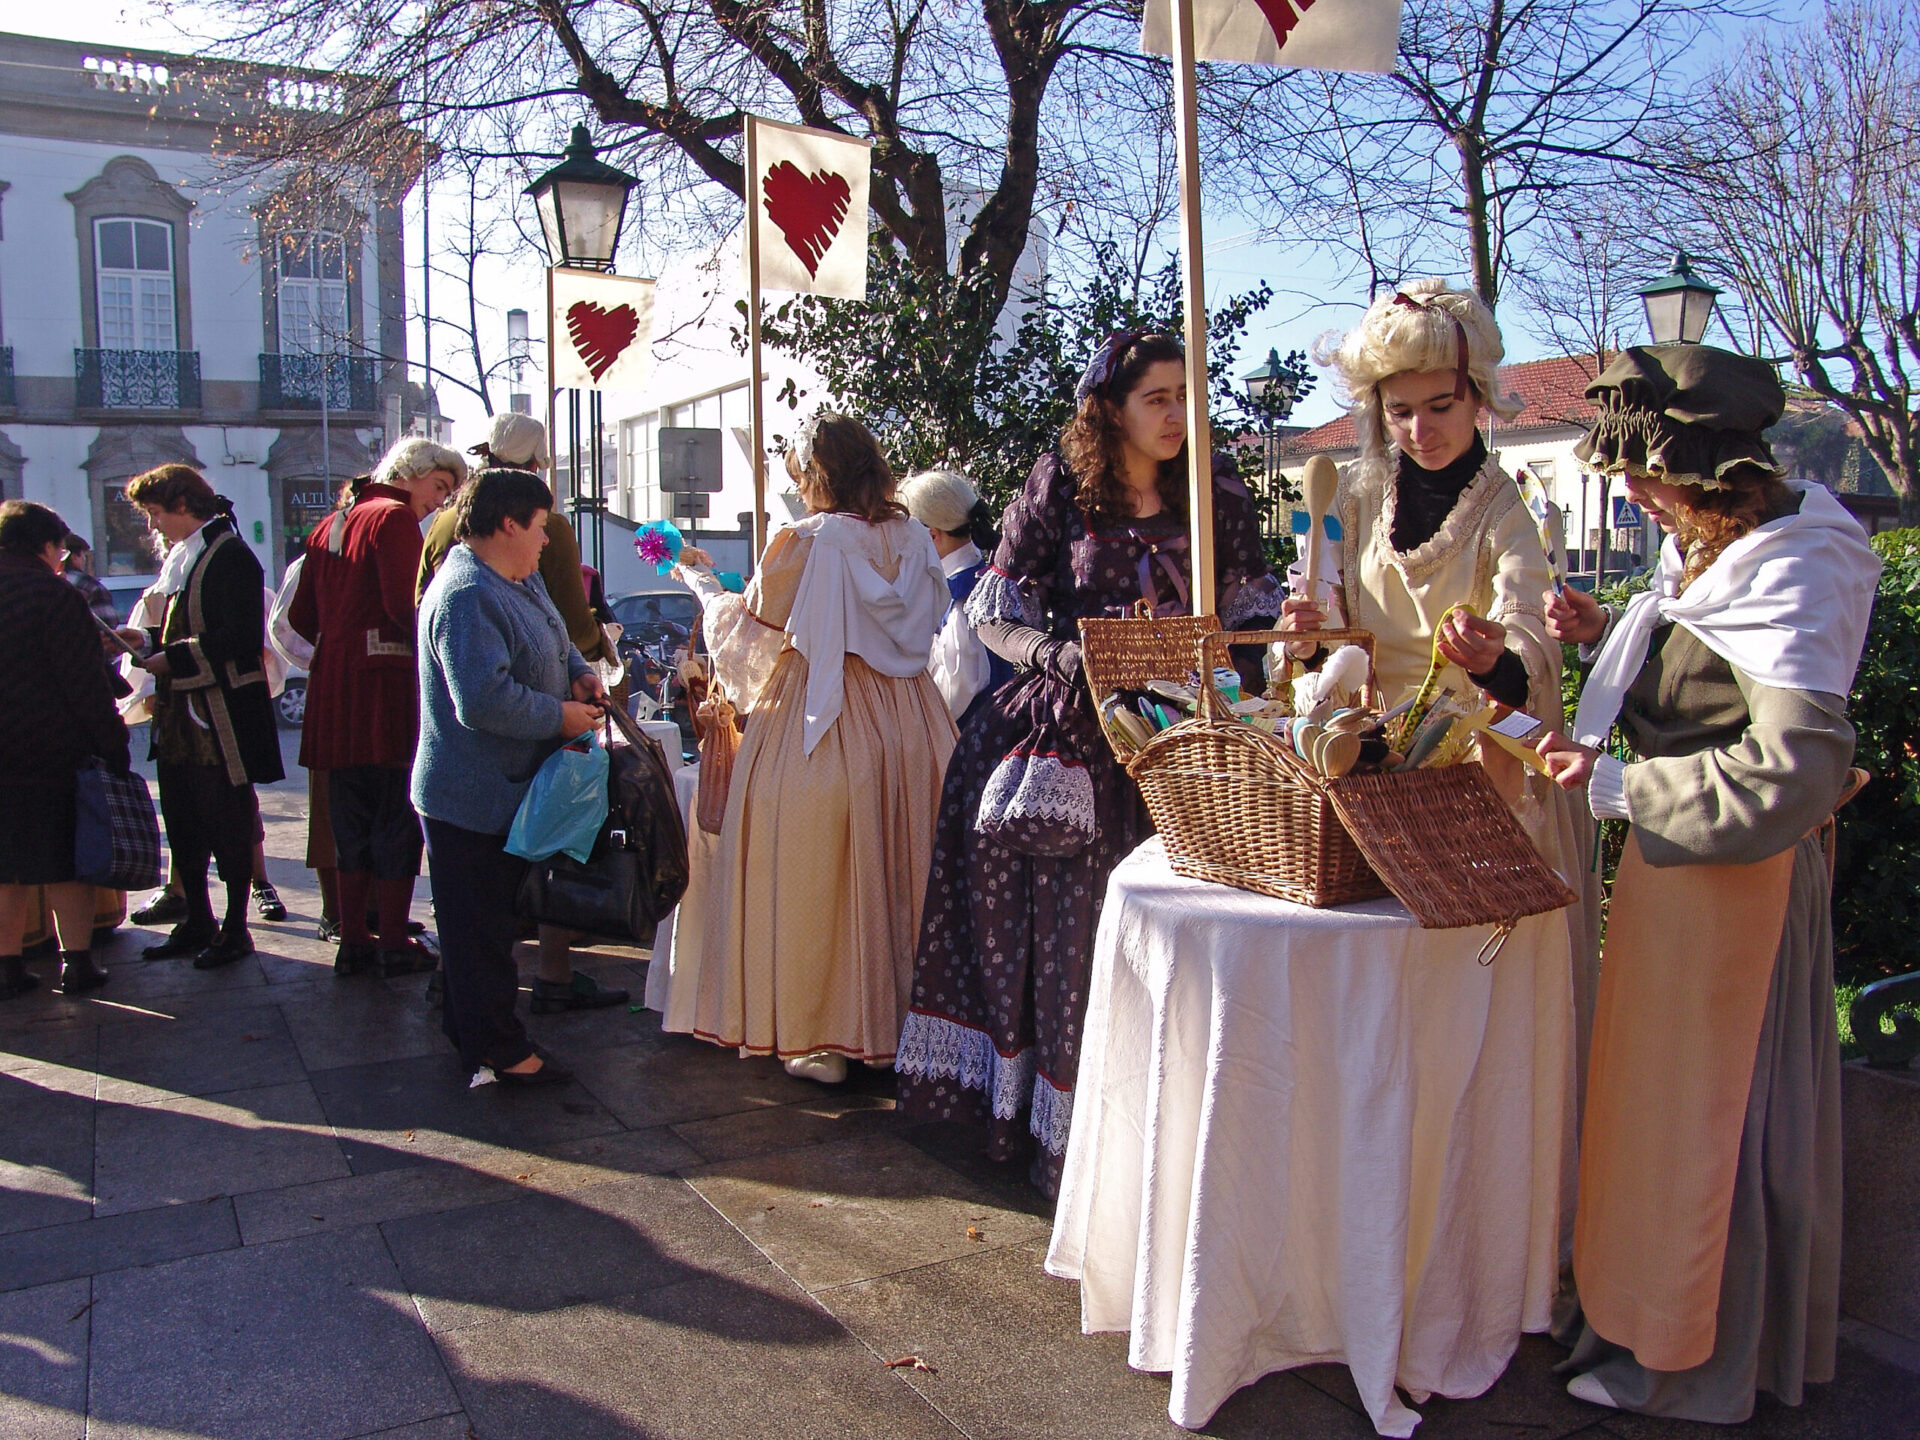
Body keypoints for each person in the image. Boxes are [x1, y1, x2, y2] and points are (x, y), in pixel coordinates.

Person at [1535, 344, 1878, 1424]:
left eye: (1648, 475)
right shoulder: (1719, 557)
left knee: (1708, 1138)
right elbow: (1703, 682)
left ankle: (1691, 1359)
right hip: (1679, 888)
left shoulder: (1797, 565)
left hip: (1743, 898)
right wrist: (1608, 639)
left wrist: (1623, 789)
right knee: (1653, 1124)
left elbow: (1789, 773)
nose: (1633, 492)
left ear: (1714, 474)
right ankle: (1637, 1324)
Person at [895, 332, 1281, 1190]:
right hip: (1072, 739)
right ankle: (1067, 1138)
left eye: (1186, 395)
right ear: (1109, 409)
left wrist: (1233, 667)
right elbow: (993, 614)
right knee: (1074, 943)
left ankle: (1169, 1137)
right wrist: (1061, 658)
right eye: (1158, 398)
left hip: (1185, 738)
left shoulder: (1215, 489)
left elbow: (1255, 606)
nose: (1178, 414)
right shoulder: (1060, 487)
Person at [1281, 279, 1598, 1097]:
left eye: (1441, 407)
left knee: (1468, 1009)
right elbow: (1333, 633)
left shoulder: (1507, 511)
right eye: (1400, 411)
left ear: (1479, 401)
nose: (1419, 430)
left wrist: (1496, 653)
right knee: (1374, 1005)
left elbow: (1528, 633)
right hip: (1364, 764)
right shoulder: (1350, 495)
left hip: (1476, 776)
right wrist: (1308, 638)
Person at [667, 412, 955, 1083]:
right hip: (914, 722)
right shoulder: (914, 536)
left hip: (822, 715)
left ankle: (821, 1034)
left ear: (815, 473)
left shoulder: (801, 540)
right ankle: (909, 1015)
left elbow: (749, 636)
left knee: (808, 868)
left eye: (798, 471)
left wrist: (704, 587)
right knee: (904, 864)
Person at [418, 413, 627, 1015]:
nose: (547, 537)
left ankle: (482, 1033)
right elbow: (483, 700)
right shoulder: (466, 592)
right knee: (480, 934)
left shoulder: (517, 574)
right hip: (469, 794)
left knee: (489, 928)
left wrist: (578, 672)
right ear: (508, 524)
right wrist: (559, 716)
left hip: (506, 788)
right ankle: (494, 1049)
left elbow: (558, 633)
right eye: (538, 527)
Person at [289, 440, 464, 978]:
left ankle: (353, 937)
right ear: (411, 472)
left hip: (332, 688)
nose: (439, 502)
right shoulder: (392, 520)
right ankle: (389, 937)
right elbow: (406, 606)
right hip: (383, 690)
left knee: (348, 819)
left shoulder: (331, 523)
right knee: (394, 814)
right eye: (438, 487)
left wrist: (341, 640)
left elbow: (299, 615)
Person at [117, 466, 284, 968]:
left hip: (219, 716)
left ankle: (235, 928)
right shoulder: (187, 556)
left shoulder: (230, 555)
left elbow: (237, 637)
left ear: (183, 505)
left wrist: (173, 655)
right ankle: (197, 920)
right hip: (180, 713)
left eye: (155, 513)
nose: (153, 525)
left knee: (227, 822)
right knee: (185, 820)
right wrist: (144, 642)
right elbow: (179, 630)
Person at [0, 501, 129, 997]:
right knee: (64, 861)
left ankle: (7, 966)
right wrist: (112, 742)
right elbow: (82, 682)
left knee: (4, 866)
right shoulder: (55, 596)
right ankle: (77, 963)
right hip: (48, 751)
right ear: (47, 546)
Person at [899, 468, 1012, 722]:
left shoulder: (961, 597)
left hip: (971, 749)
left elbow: (955, 692)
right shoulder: (980, 578)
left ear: (932, 535)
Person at [60, 532, 119, 628]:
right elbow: (108, 626)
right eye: (83, 556)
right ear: (74, 557)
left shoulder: (46, 584)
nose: (84, 560)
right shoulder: (91, 587)